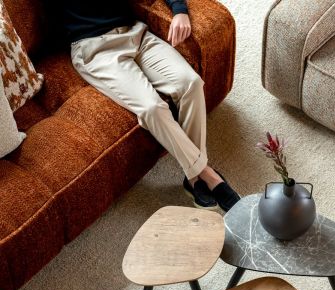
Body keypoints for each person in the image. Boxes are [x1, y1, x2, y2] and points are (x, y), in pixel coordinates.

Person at [57, 0, 240, 211]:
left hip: (135, 33)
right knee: (152, 108)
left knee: (190, 83)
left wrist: (180, 11)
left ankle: (193, 177)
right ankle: (207, 174)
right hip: (95, 50)